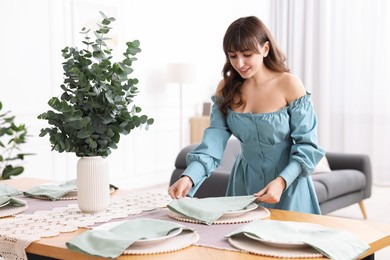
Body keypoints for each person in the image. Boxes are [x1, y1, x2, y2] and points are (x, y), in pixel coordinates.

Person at [168, 16, 325, 214]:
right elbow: (213, 143)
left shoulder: (289, 84)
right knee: (237, 241)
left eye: (247, 54)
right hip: (242, 184)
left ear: (265, 49)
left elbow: (308, 145)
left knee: (287, 241)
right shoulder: (226, 89)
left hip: (289, 183)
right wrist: (189, 176)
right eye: (232, 56)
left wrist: (282, 182)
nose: (239, 63)